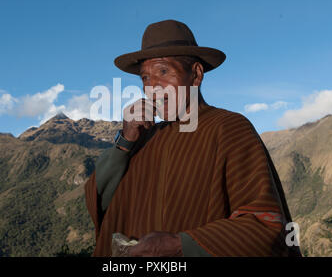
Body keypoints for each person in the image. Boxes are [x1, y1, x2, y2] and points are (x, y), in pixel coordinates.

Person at [85, 19, 301, 257]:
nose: (153, 87)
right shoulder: (144, 137)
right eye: (145, 78)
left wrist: (181, 244)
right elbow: (102, 202)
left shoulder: (228, 128)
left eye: (164, 71)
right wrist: (125, 142)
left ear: (196, 75)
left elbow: (263, 224)